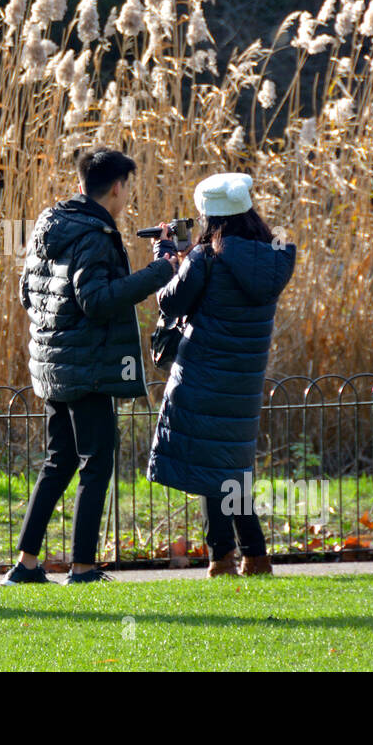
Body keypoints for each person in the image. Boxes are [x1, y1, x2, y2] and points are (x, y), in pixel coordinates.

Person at [5, 147, 179, 585]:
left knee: (58, 461)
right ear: (117, 187)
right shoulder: (97, 235)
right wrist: (160, 270)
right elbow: (97, 301)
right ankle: (82, 567)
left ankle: (26, 564)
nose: (127, 198)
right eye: (128, 189)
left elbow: (29, 293)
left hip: (51, 364)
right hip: (89, 367)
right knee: (96, 460)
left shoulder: (51, 223)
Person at [147, 172, 296, 576]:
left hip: (203, 373)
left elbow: (172, 304)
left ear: (210, 215)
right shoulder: (274, 255)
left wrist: (167, 261)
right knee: (227, 464)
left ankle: (225, 558)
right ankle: (251, 556)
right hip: (243, 379)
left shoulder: (205, 258)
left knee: (212, 465)